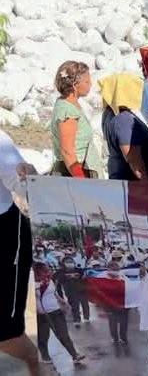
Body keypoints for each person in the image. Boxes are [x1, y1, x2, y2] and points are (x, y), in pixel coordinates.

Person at [0, 133, 38, 375]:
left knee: (5, 333)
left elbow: (22, 182)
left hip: (5, 238)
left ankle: (37, 364)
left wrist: (28, 176)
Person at [99, 73, 148, 181]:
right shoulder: (124, 119)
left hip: (120, 177)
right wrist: (146, 183)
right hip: (133, 182)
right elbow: (133, 158)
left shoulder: (108, 114)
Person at [50, 61, 103, 178]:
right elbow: (67, 151)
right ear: (75, 85)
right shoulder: (67, 111)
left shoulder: (69, 105)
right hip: (73, 172)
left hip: (79, 169)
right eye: (87, 81)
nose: (90, 84)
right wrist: (80, 179)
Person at [33, 263, 86, 366]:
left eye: (48, 270)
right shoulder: (32, 284)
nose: (48, 272)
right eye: (45, 270)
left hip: (56, 312)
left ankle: (75, 355)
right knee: (43, 337)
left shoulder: (49, 281)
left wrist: (63, 302)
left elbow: (54, 293)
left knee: (63, 335)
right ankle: (45, 356)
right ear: (38, 272)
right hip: (42, 315)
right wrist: (38, 310)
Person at [55, 255, 90, 328]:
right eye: (67, 262)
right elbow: (59, 278)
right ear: (63, 263)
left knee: (85, 304)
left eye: (71, 261)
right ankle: (77, 320)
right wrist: (70, 276)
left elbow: (83, 275)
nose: (69, 263)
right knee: (74, 306)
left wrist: (78, 275)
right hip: (70, 291)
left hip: (82, 290)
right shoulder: (60, 271)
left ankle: (86, 317)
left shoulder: (78, 269)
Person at [101, 259, 130, 344]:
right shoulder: (103, 278)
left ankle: (123, 337)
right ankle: (114, 337)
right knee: (112, 321)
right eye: (113, 269)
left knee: (124, 321)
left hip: (123, 303)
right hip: (110, 304)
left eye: (116, 270)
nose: (115, 272)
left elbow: (130, 288)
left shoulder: (123, 277)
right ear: (108, 269)